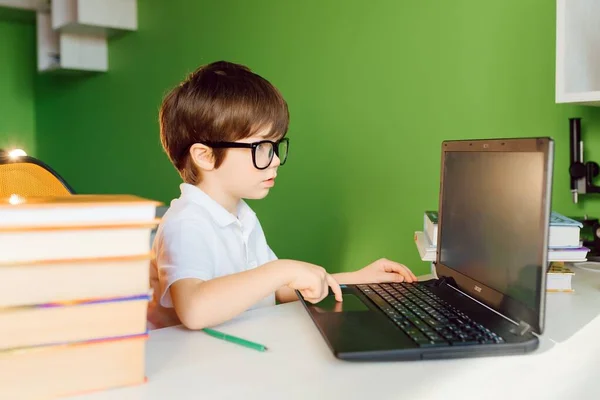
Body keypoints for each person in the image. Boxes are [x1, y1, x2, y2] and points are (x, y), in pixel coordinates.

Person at [147, 61, 417, 330]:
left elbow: (276, 289)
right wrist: (280, 270)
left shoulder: (241, 215)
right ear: (205, 156)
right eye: (262, 147)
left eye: (276, 146)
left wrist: (357, 278)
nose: (274, 160)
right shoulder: (185, 223)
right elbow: (195, 310)